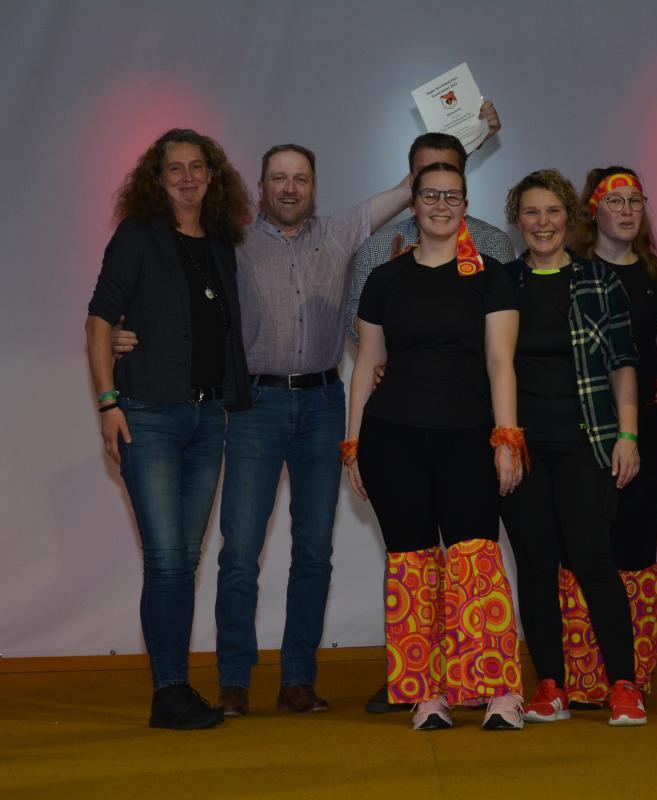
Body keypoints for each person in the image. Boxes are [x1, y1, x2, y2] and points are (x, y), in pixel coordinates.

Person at [113, 141, 414, 716]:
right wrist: (123, 331)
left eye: (300, 178)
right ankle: (233, 682)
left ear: (314, 187)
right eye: (279, 177)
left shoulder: (340, 232)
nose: (290, 188)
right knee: (240, 553)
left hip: (324, 404)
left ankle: (299, 679)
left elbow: (406, 190)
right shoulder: (229, 242)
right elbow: (170, 295)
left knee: (315, 551)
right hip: (254, 407)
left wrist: (464, 128)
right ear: (260, 186)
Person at [346, 162, 526, 731]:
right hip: (391, 439)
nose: (441, 205)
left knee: (476, 560)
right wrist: (353, 443)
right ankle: (425, 693)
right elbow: (367, 364)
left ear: (466, 204)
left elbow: (501, 362)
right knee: (411, 563)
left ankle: (499, 691)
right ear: (414, 204)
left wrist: (507, 438)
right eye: (431, 195)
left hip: (469, 437)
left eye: (452, 196)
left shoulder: (490, 275)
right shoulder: (385, 279)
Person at [86, 128, 252, 729]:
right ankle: (169, 691)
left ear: (213, 176)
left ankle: (175, 686)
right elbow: (99, 320)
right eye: (174, 168)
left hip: (208, 420)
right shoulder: (138, 235)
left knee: (183, 558)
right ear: (157, 180)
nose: (187, 177)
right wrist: (108, 402)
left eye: (197, 167)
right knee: (164, 559)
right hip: (148, 417)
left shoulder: (222, 245)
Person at [498, 169, 648, 727]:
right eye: (531, 212)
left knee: (593, 559)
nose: (542, 223)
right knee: (535, 564)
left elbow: (623, 365)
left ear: (570, 217)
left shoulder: (599, 280)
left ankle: (624, 685)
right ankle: (550, 686)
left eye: (552, 211)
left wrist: (628, 436)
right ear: (518, 221)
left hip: (587, 442)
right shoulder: (502, 284)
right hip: (521, 448)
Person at [544, 166, 657, 713]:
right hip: (582, 429)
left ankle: (630, 676)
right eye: (616, 201)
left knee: (635, 544)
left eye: (635, 200)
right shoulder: (569, 271)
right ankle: (581, 676)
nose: (627, 210)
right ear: (593, 211)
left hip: (643, 431)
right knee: (581, 548)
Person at [345, 125, 513, 348]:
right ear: (411, 179)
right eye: (425, 172)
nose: (436, 180)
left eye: (446, 169)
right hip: (397, 366)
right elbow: (356, 331)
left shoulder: (492, 243)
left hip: (470, 367)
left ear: (461, 179)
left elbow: (504, 332)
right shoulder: (376, 247)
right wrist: (388, 285)